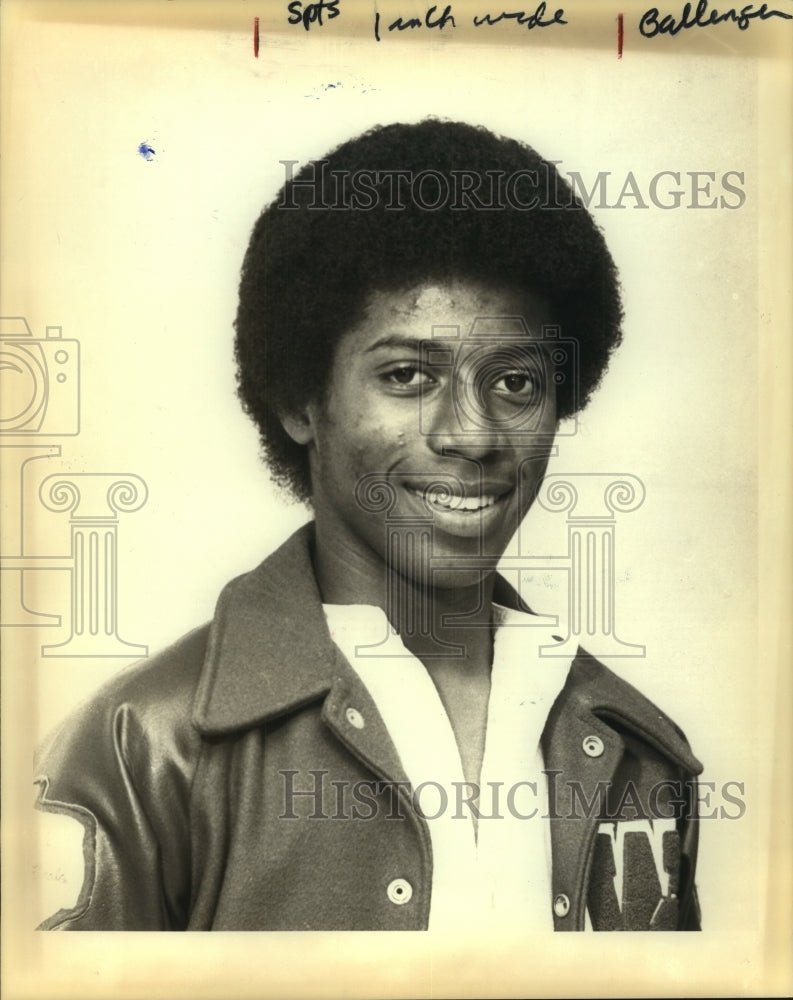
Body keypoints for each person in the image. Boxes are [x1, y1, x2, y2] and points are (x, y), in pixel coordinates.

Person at [34, 119, 702, 932]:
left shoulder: (638, 747)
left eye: (517, 381)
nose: (474, 434)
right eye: (408, 375)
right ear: (299, 398)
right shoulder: (146, 746)